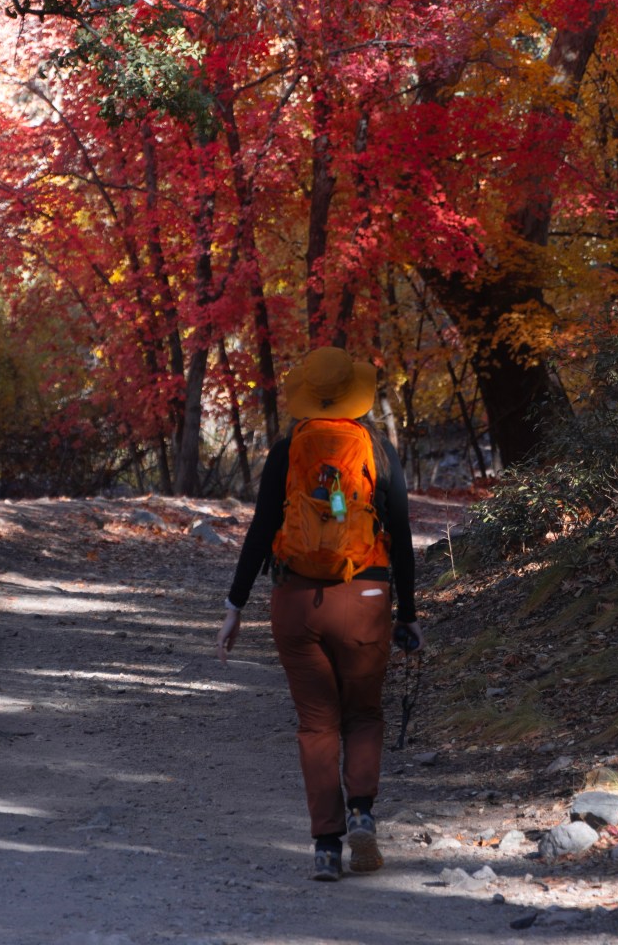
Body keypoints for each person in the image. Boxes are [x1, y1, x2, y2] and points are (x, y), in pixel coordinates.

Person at [217, 345, 423, 882]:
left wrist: (235, 605)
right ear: (355, 395)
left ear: (307, 396)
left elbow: (262, 530)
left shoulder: (288, 451)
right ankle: (361, 813)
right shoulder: (377, 450)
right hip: (366, 600)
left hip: (296, 602)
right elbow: (400, 535)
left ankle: (327, 847)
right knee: (363, 714)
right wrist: (408, 613)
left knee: (317, 723)